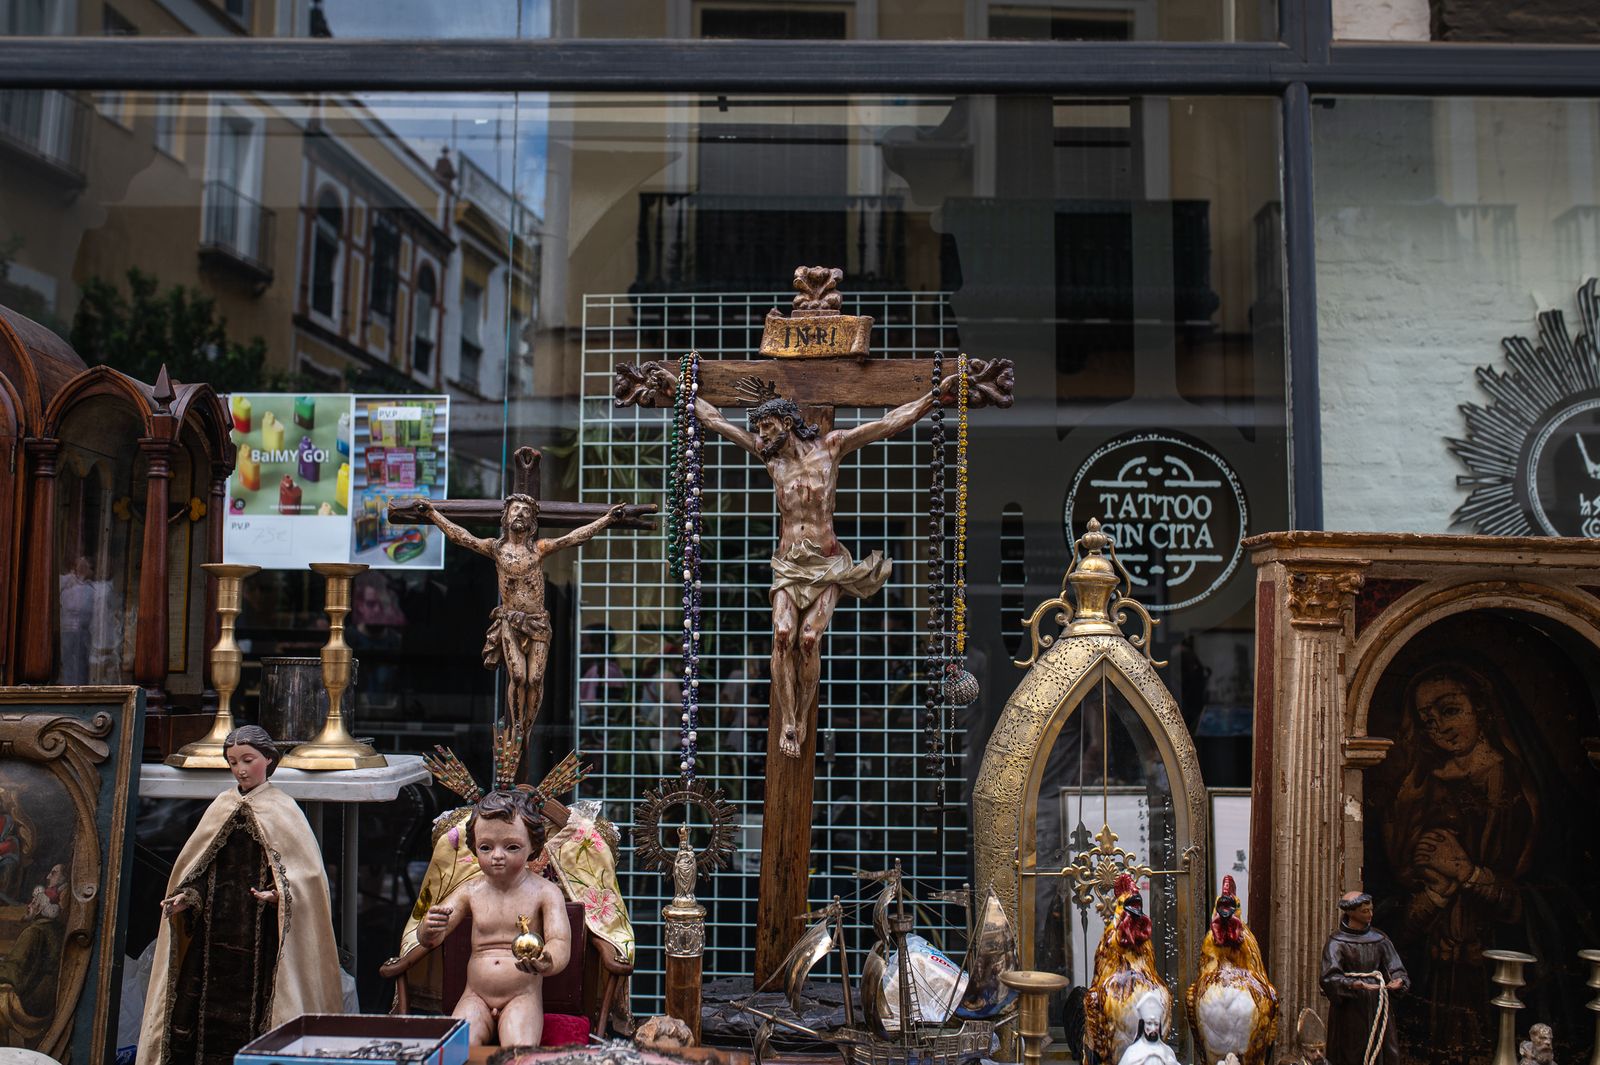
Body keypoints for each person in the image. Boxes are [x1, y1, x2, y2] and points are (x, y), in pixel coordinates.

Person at [673, 372, 962, 757]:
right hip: (789, 566)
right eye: (759, 429)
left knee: (808, 640)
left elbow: (888, 423)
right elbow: (718, 422)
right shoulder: (770, 459)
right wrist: (682, 390)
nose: (761, 434)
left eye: (767, 426)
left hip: (826, 565)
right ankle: (788, 721)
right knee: (782, 634)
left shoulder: (831, 447)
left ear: (786, 422)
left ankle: (803, 717)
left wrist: (932, 398)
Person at [138, 726, 343, 1065]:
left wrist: (279, 896)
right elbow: (201, 869)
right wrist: (187, 896)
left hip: (262, 940)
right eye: (233, 762)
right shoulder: (222, 806)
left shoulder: (284, 810)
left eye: (248, 760)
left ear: (269, 760)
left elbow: (306, 881)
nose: (241, 770)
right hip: (213, 940)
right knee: (197, 1018)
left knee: (261, 1013)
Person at [1379, 663, 1536, 1058]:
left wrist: (1468, 873)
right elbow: (1401, 883)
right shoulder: (1419, 786)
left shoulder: (1518, 786)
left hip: (1496, 955)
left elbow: (1546, 896)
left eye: (1450, 711)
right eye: (1427, 721)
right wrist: (1435, 890)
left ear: (1481, 708)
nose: (1439, 728)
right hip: (1434, 956)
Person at [416, 496, 625, 740]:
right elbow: (461, 537)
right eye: (515, 509)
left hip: (537, 622)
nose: (520, 514)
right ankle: (516, 727)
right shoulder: (496, 549)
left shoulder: (538, 549)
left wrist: (606, 519)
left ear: (532, 521)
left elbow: (573, 538)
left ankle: (527, 729)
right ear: (506, 517)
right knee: (517, 676)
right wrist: (432, 514)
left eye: (526, 511)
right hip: (510, 621)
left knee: (535, 678)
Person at [417, 790, 572, 1047]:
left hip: (522, 996)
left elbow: (560, 941)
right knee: (458, 1048)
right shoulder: (470, 891)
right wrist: (429, 927)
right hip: (475, 996)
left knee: (518, 1051)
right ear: (474, 847)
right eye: (486, 847)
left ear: (533, 846)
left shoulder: (546, 892)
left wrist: (548, 960)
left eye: (511, 847)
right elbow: (431, 939)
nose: (497, 856)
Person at [1320, 892, 1408, 1065]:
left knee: (1383, 1050)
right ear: (1351, 912)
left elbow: (1396, 968)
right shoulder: (1336, 942)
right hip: (1350, 1009)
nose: (1370, 914)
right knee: (1351, 1051)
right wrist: (1353, 984)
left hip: (1377, 1004)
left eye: (1371, 910)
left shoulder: (1380, 939)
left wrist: (1398, 980)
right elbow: (1328, 977)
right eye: (1364, 911)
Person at [0, 884, 64, 1044]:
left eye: (34, 903)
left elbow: (14, 971)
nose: (29, 905)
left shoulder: (34, 932)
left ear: (41, 908)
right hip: (48, 998)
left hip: (31, 1002)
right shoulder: (56, 930)